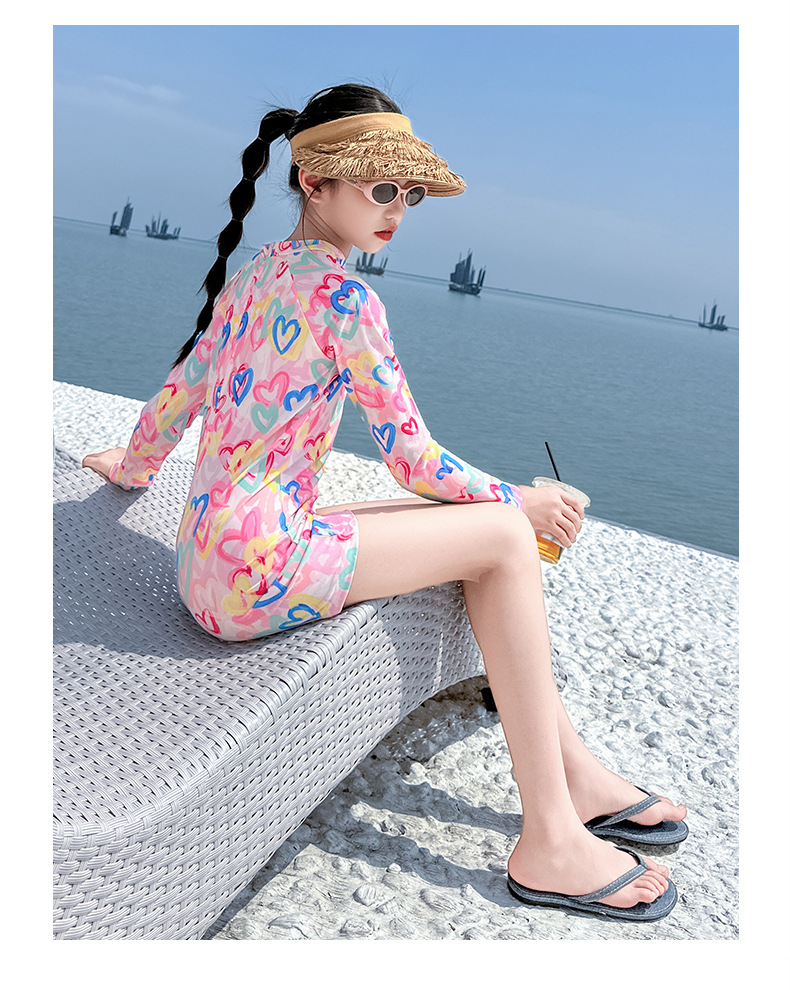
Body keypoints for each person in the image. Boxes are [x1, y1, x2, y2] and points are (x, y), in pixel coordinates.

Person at [83, 82, 687, 922]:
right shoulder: (347, 299)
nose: (398, 209)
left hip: (211, 560)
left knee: (474, 529)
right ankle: (550, 839)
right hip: (257, 573)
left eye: (408, 194)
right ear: (314, 182)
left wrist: (133, 463)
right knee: (505, 538)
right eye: (381, 188)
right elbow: (413, 460)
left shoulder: (257, 272)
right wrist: (521, 499)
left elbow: (182, 389)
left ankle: (576, 773)